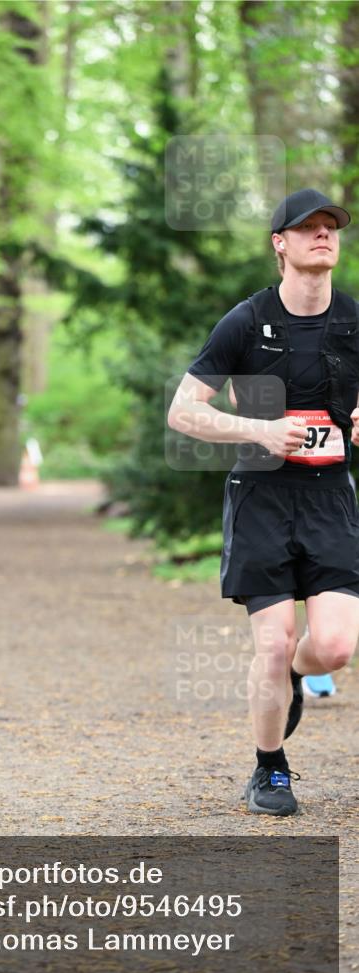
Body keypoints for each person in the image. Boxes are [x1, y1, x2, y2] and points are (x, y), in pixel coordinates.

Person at [168, 188, 359, 817]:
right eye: (308, 227)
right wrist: (259, 430)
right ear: (280, 243)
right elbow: (183, 412)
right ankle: (269, 768)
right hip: (261, 497)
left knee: (335, 647)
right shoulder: (247, 322)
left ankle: (299, 674)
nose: (323, 234)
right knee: (272, 644)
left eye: (331, 226)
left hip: (331, 500)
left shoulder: (354, 321)